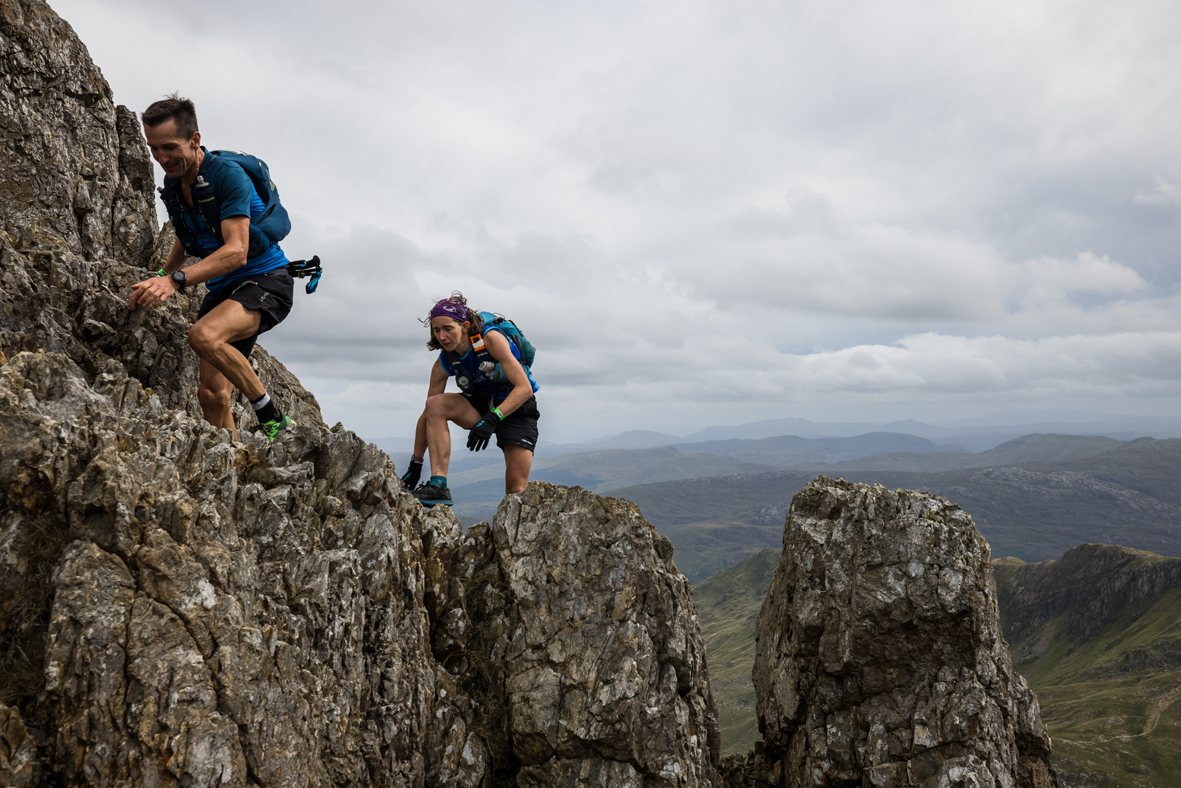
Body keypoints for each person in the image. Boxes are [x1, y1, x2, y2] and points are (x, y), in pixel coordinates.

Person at [129, 94, 295, 443]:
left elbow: (236, 251)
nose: (162, 158)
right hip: (223, 290)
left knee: (204, 335)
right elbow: (187, 236)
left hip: (265, 280)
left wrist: (176, 281)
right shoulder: (175, 186)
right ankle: (233, 463)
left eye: (169, 147)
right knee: (211, 395)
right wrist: (160, 278)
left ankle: (272, 416)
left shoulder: (227, 177)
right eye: (153, 148)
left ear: (195, 140)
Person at [402, 293, 540, 506]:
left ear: (465, 326)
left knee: (516, 491)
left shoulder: (491, 339)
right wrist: (415, 464)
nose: (442, 336)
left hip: (515, 406)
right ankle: (438, 484)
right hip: (480, 403)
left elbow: (525, 389)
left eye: (448, 329)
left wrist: (493, 418)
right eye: (437, 330)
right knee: (435, 404)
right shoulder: (445, 361)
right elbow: (429, 414)